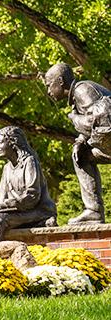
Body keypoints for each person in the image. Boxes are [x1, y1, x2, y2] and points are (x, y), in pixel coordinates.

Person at [43, 62, 111, 224]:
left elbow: (99, 120)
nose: (48, 91)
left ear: (60, 81)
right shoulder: (77, 96)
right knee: (81, 156)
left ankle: (93, 210)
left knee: (83, 156)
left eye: (49, 85)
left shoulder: (82, 90)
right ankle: (93, 211)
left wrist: (74, 119)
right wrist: (81, 141)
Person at [0, 127, 57, 243]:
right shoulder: (6, 168)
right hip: (18, 211)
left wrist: (2, 207)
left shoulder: (29, 162)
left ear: (13, 143)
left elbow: (32, 197)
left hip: (38, 210)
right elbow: (2, 198)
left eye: (1, 142)